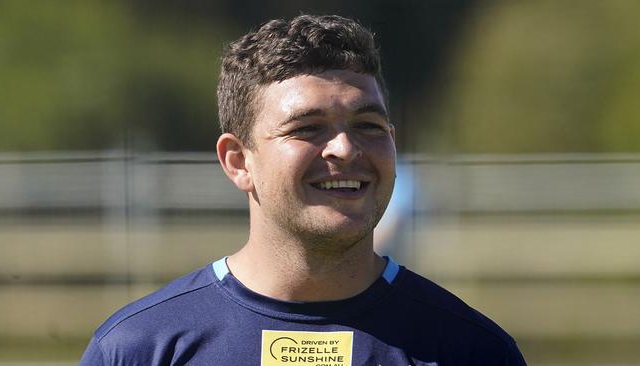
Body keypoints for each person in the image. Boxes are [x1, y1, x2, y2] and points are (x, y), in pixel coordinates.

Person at [80, 14, 527, 365]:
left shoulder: (473, 350)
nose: (345, 148)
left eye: (368, 126)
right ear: (238, 161)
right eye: (308, 128)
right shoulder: (139, 348)